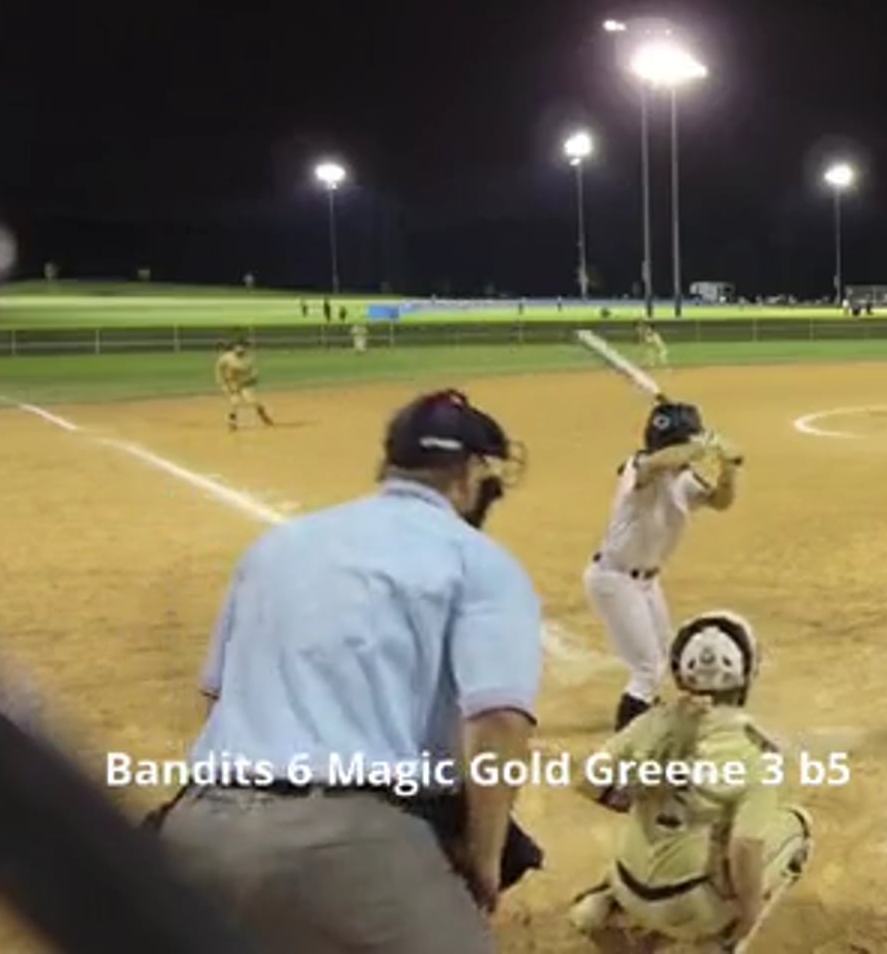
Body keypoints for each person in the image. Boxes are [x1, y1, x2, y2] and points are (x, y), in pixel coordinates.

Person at [154, 390, 545, 953]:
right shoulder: (477, 559)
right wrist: (485, 858)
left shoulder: (277, 545)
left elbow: (217, 698)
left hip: (200, 833)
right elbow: (499, 722)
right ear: (472, 473)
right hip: (352, 846)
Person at [567, 611, 812, 952]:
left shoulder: (651, 722)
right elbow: (744, 848)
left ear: (679, 671)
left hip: (628, 886)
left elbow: (586, 780)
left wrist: (639, 794)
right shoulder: (755, 751)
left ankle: (606, 906)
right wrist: (750, 911)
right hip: (691, 905)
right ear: (747, 673)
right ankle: (722, 944)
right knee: (798, 827)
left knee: (650, 835)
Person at [585, 400, 743, 730]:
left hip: (646, 582)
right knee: (647, 669)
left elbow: (721, 502)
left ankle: (650, 716)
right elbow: (658, 462)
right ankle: (627, 744)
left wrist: (728, 467)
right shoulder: (639, 467)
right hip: (614, 579)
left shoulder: (683, 479)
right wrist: (704, 444)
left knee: (666, 654)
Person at [214, 340, 274, 431]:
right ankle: (232, 423)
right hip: (231, 383)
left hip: (244, 383)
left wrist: (253, 378)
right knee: (235, 402)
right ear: (234, 349)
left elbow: (253, 373)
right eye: (237, 348)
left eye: (242, 348)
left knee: (252, 401)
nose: (240, 350)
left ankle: (263, 414)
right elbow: (219, 368)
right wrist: (222, 382)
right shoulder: (226, 358)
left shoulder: (248, 359)